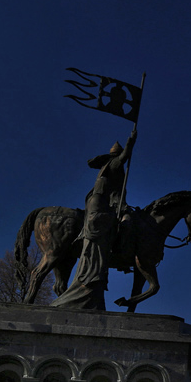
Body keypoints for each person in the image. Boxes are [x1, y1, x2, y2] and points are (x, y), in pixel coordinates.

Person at [51, 128, 137, 310]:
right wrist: (131, 141)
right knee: (127, 223)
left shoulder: (102, 185)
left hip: (99, 241)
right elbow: (95, 221)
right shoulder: (113, 167)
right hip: (95, 245)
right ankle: (123, 254)